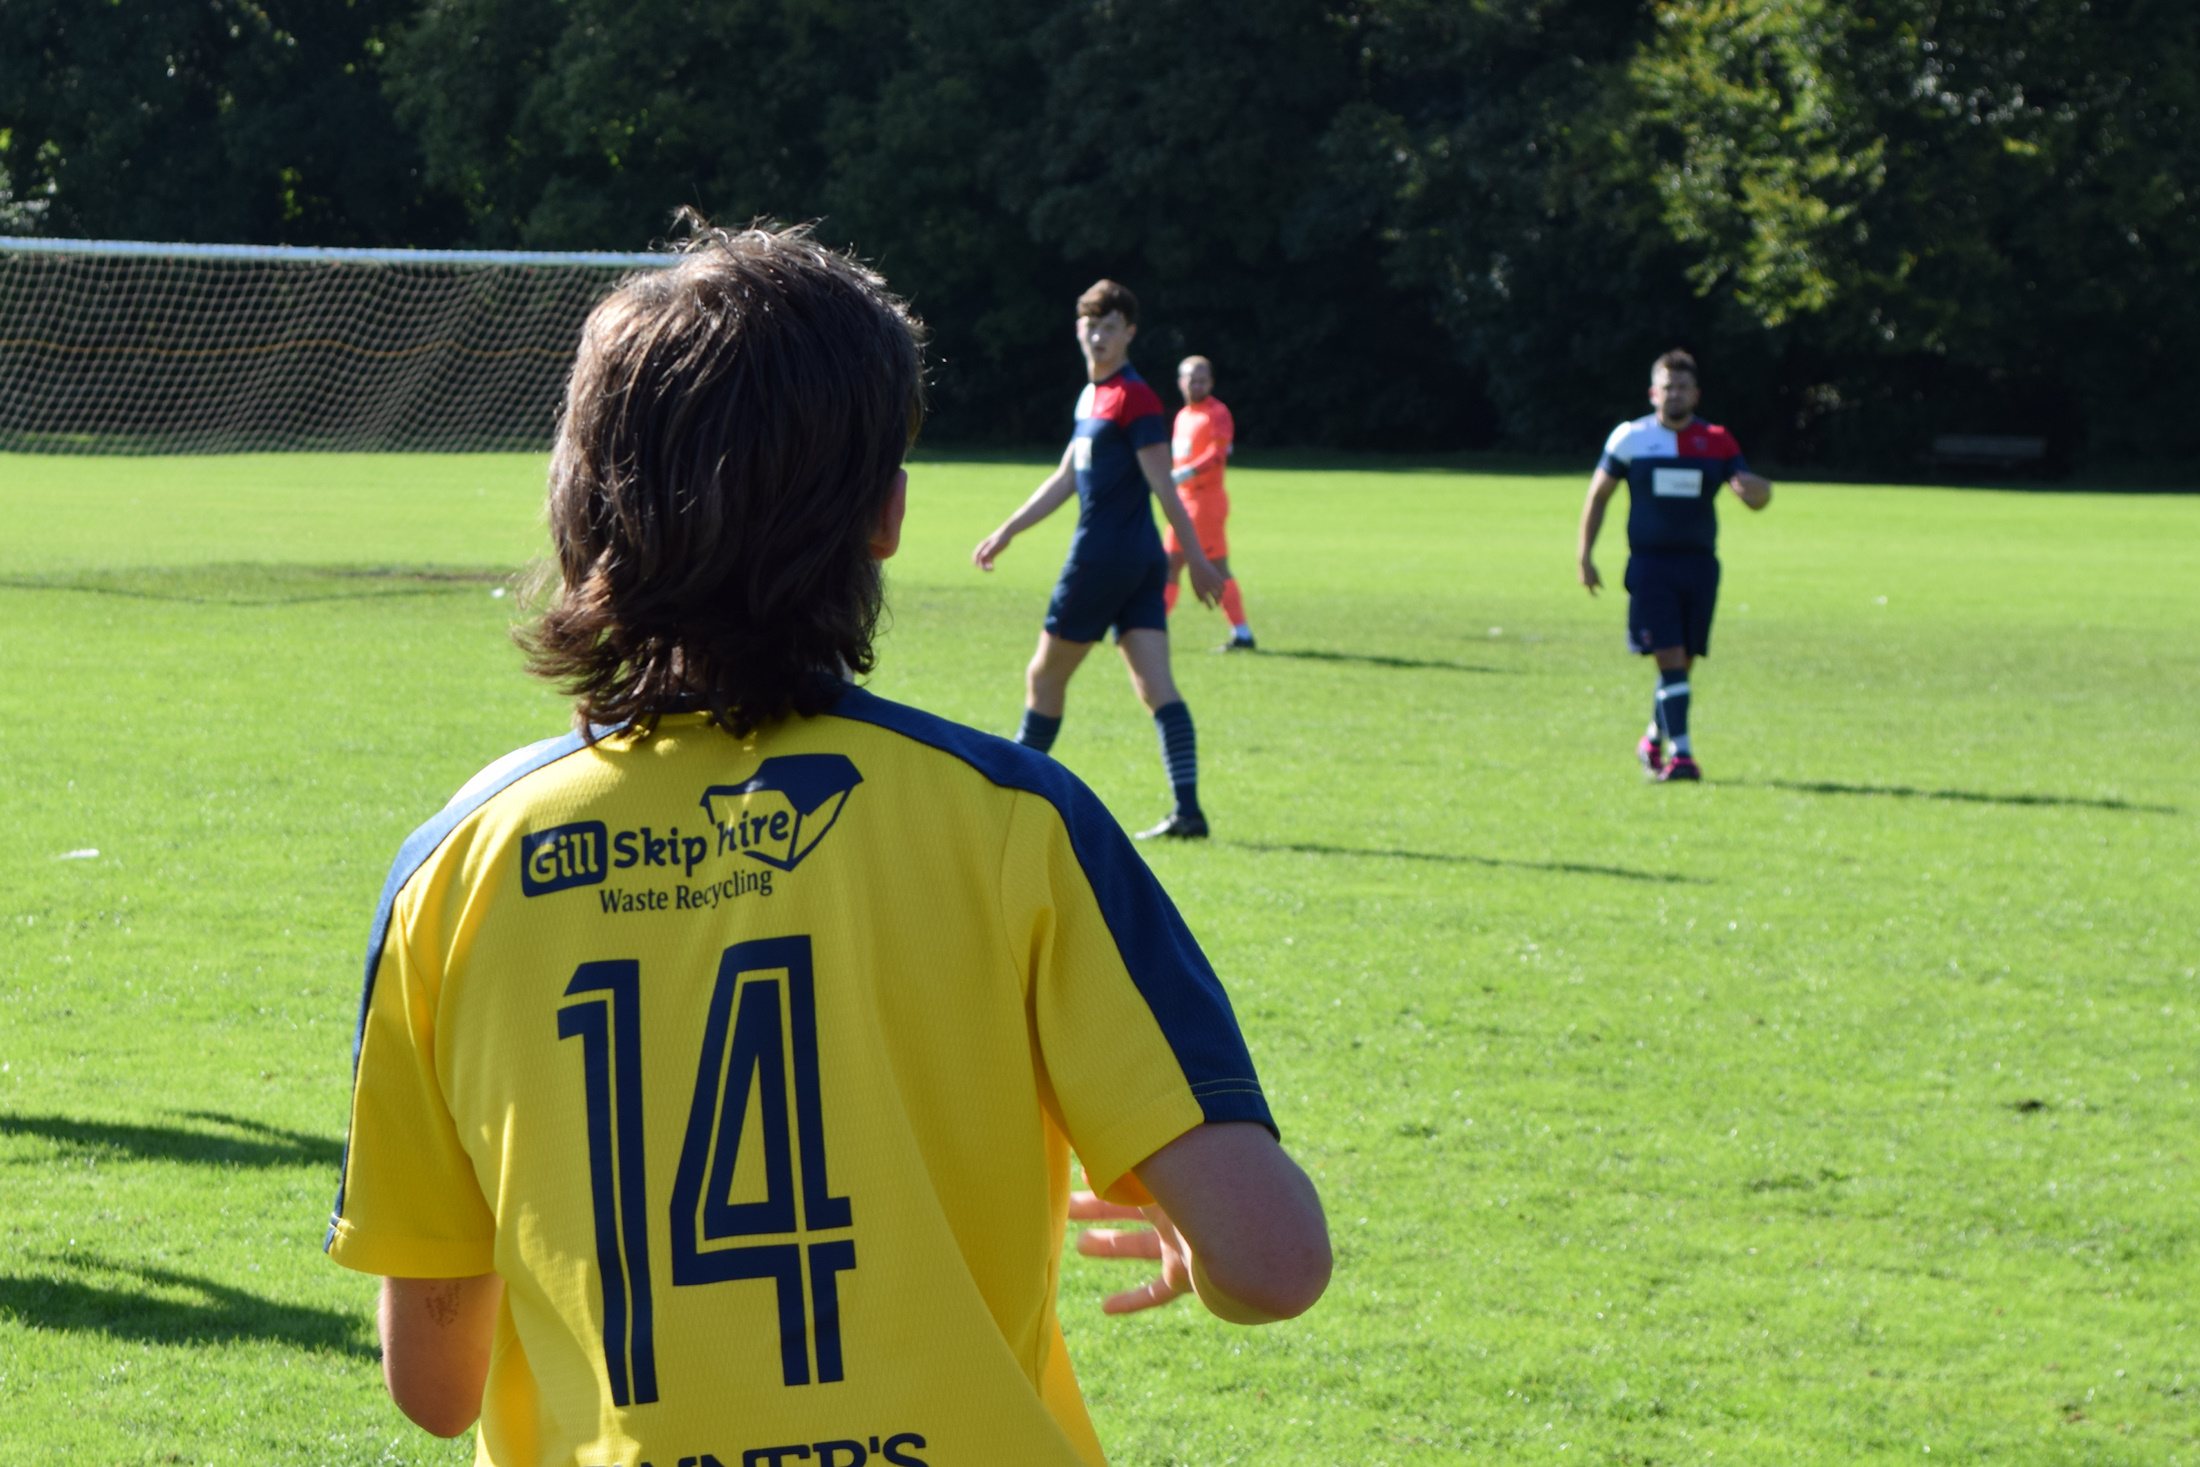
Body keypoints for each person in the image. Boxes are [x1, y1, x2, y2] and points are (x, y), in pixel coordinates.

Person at [324, 224, 1330, 1467]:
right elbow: (1273, 1264)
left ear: (581, 507)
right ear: (887, 517)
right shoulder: (1017, 819)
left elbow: (436, 1386)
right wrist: (1204, 1245)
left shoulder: (455, 869)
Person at [973, 280, 1226, 840]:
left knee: (1043, 677)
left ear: (1129, 333)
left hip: (1103, 559)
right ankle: (1189, 812)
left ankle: (1012, 800)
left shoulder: (1134, 397)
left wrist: (1201, 561)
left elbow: (1165, 487)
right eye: (1090, 324)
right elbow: (1066, 478)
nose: (1098, 335)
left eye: (1110, 326)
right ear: (1078, 328)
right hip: (1138, 565)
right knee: (1156, 686)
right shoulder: (1092, 396)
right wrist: (1008, 530)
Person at [1577, 349, 1773, 781]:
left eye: (1683, 387)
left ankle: (1653, 737)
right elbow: (1599, 496)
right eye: (1668, 387)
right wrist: (1584, 555)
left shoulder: (1718, 441)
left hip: (1700, 566)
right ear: (1653, 392)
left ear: (1696, 394)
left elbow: (1755, 496)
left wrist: (1759, 491)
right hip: (1650, 566)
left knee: (1682, 661)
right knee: (1668, 656)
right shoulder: (1630, 438)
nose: (1675, 394)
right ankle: (1682, 756)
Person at [1162, 355, 1253, 650]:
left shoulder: (1217, 413)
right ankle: (1153, 628)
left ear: (1211, 383)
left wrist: (1186, 473)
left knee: (1216, 568)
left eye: (1203, 379)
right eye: (1192, 379)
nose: (1197, 384)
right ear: (1180, 382)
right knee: (1169, 564)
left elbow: (1218, 454)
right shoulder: (1183, 416)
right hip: (1183, 500)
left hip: (1206, 502)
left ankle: (1242, 634)